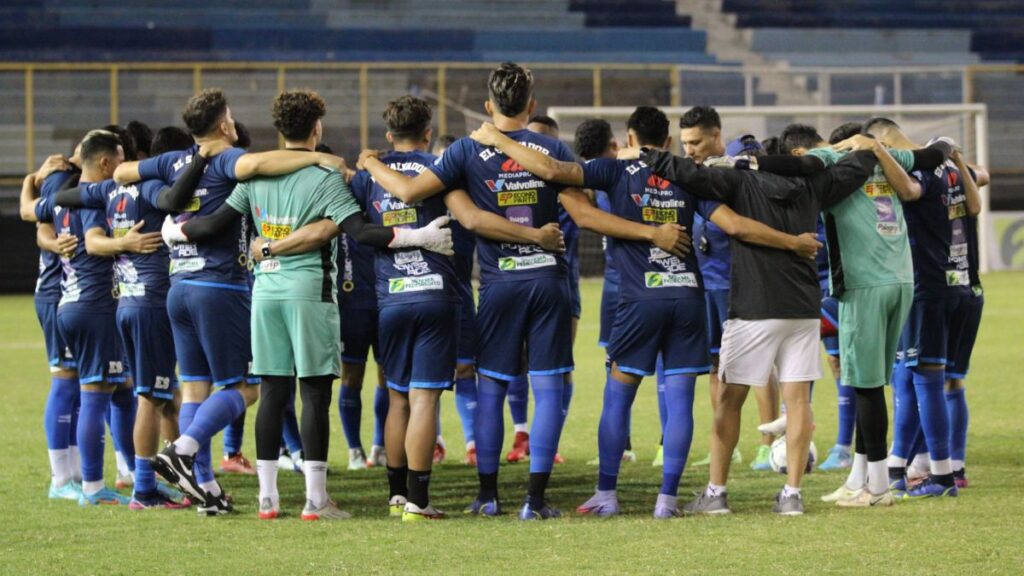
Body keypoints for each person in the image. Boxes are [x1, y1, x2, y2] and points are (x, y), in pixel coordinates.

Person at [356, 62, 689, 520]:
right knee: (548, 388)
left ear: (489, 105)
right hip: (549, 282)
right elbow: (588, 217)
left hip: (499, 285)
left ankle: (489, 496)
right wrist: (649, 233)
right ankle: (535, 499)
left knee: (492, 387)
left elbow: (417, 195)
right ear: (532, 105)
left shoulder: (467, 151)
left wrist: (370, 161)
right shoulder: (550, 148)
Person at [470, 107, 822, 518]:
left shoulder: (615, 170)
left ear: (630, 139)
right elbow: (738, 226)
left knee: (618, 395)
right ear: (669, 141)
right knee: (680, 399)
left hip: (640, 299)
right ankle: (667, 500)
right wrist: (792, 243)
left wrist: (502, 141)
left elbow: (551, 170)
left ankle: (607, 494)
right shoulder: (687, 176)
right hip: (687, 297)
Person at [161, 90, 455, 520]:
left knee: (273, 391)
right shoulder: (327, 178)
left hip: (265, 293)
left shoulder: (254, 179)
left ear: (280, 131)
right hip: (309, 292)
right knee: (314, 394)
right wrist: (418, 237)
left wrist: (173, 232)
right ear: (316, 128)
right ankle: (316, 500)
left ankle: (268, 499)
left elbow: (211, 223)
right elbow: (360, 232)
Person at [114, 88, 349, 514]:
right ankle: (183, 450)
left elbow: (121, 174)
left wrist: (170, 220)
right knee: (245, 386)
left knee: (195, 388)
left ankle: (202, 488)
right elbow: (259, 162)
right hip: (218, 288)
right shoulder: (226, 159)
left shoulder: (172, 161)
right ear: (224, 125)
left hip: (177, 286)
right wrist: (318, 158)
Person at [633, 136, 881, 515]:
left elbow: (687, 173)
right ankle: (792, 496)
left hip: (753, 306)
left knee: (730, 400)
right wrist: (849, 148)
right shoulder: (811, 183)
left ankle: (716, 493)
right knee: (798, 402)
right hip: (801, 307)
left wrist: (649, 154)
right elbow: (860, 164)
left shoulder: (739, 180)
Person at [763, 121, 951, 507]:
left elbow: (791, 168)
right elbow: (940, 151)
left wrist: (741, 164)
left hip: (864, 284)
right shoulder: (880, 154)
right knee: (872, 385)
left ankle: (879, 487)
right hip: (902, 279)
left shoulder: (828, 160)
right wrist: (879, 147)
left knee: (864, 387)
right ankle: (858, 478)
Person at [51, 127, 214, 509]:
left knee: (148, 396)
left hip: (125, 301)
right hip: (151, 303)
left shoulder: (108, 191)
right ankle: (143, 487)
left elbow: (62, 196)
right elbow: (174, 196)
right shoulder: (149, 187)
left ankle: (152, 477)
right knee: (150, 399)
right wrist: (202, 160)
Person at [859, 119, 973, 499]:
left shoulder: (918, 167)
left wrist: (876, 153)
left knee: (926, 380)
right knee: (913, 379)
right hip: (952, 282)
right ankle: (902, 467)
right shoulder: (945, 162)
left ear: (882, 140)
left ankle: (941, 477)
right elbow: (974, 200)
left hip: (926, 285)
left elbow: (908, 191)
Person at [24, 130, 133, 506]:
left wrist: (32, 185)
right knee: (78, 389)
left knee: (94, 389)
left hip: (68, 298)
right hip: (68, 296)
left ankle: (80, 476)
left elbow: (31, 210)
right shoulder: (80, 188)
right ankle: (70, 479)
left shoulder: (69, 189)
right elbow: (39, 219)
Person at [20, 152, 83, 501]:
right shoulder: (62, 180)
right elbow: (38, 223)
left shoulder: (76, 181)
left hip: (73, 295)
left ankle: (71, 473)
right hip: (56, 294)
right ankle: (60, 479)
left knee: (76, 385)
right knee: (64, 381)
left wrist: (32, 178)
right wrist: (34, 177)